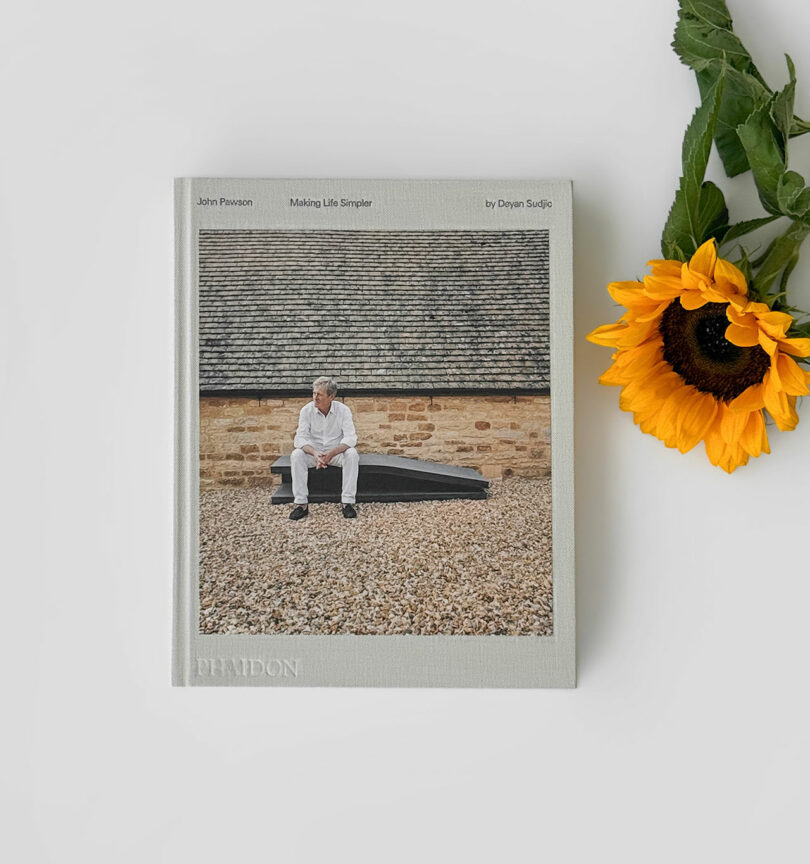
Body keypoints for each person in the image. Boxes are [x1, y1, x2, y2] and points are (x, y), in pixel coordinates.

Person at [288, 377, 359, 520]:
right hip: (314, 454)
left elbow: (351, 438)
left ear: (331, 397)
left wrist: (332, 453)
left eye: (319, 394)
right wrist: (315, 453)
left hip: (336, 452)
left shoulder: (343, 410)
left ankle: (347, 503)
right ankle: (301, 505)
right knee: (296, 455)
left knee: (352, 454)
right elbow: (300, 439)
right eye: (314, 393)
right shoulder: (306, 410)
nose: (315, 397)